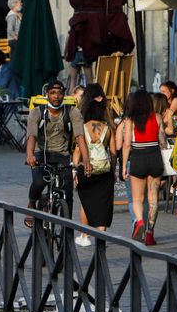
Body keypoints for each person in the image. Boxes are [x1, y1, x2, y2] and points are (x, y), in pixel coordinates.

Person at [24, 80, 85, 222]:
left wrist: (86, 160)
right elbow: (31, 136)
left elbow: (80, 136)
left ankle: (68, 227)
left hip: (62, 154)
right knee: (39, 182)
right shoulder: (37, 112)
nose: (56, 96)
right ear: (47, 95)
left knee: (68, 190)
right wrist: (30, 155)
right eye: (52, 93)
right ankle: (32, 203)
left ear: (64, 95)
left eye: (59, 93)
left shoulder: (72, 112)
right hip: (41, 153)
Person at [116, 90, 165, 245]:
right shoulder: (157, 117)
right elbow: (162, 142)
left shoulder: (130, 120)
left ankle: (139, 222)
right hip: (155, 157)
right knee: (153, 199)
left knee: (137, 199)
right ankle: (150, 233)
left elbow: (126, 144)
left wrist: (124, 166)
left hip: (138, 157)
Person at [73, 97, 117, 243]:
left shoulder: (83, 128)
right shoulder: (108, 130)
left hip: (86, 171)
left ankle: (85, 236)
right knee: (104, 204)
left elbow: (77, 151)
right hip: (104, 171)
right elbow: (113, 153)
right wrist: (113, 172)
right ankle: (100, 235)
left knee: (86, 203)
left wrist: (74, 170)